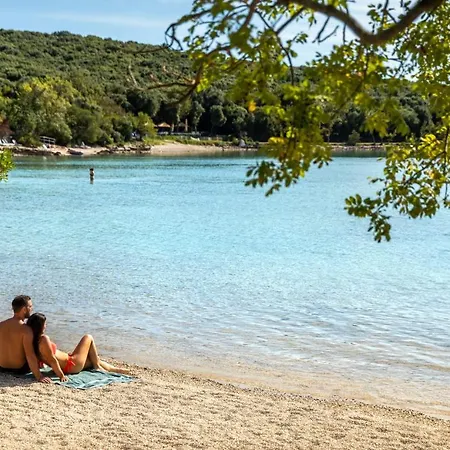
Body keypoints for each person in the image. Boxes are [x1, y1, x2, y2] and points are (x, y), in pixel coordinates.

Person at [27, 313, 130, 378]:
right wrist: (61, 376)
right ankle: (97, 367)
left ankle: (116, 370)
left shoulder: (32, 341)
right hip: (71, 364)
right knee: (88, 337)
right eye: (44, 324)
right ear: (40, 326)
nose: (46, 326)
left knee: (92, 359)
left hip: (69, 364)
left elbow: (41, 359)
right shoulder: (44, 339)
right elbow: (52, 360)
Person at [0, 295, 51, 383]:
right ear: (24, 309)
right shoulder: (26, 330)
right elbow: (30, 355)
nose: (31, 309)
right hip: (19, 369)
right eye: (30, 306)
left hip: (2, 367)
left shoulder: (1, 325)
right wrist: (39, 376)